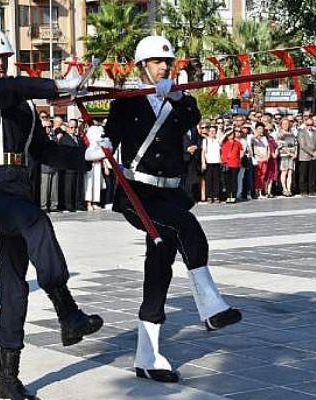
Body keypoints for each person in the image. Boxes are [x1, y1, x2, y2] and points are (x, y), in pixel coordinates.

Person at [0, 28, 102, 399]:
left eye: (3, 58)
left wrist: (86, 156)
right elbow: (2, 91)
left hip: (16, 190)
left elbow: (46, 152)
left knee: (13, 283)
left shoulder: (23, 106)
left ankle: (8, 377)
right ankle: (66, 310)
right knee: (35, 220)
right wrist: (57, 86)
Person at [92, 35, 240, 383]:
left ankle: (148, 356)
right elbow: (112, 136)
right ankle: (210, 306)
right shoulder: (126, 102)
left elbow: (193, 114)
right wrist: (101, 144)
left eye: (168, 63)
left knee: (159, 269)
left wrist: (174, 95)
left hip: (171, 193)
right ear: (142, 66)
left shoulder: (181, 101)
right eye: (158, 63)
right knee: (188, 229)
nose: (164, 68)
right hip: (139, 194)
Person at [296, 116, 316, 196]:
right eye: (308, 124)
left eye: (311, 124)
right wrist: (311, 153)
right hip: (304, 156)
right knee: (304, 174)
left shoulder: (314, 132)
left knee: (312, 174)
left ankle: (311, 190)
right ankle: (303, 190)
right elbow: (303, 145)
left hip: (314, 156)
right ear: (305, 124)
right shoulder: (301, 132)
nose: (310, 126)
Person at [84, 124, 105, 210]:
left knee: (97, 183)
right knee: (89, 183)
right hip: (90, 163)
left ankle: (95, 202)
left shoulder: (100, 140)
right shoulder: (86, 139)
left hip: (98, 163)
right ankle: (88, 203)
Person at [221, 127, 243, 203]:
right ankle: (228, 196)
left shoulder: (237, 142)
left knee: (234, 180)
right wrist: (226, 133)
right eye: (229, 134)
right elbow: (219, 141)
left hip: (235, 164)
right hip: (226, 163)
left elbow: (241, 152)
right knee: (227, 181)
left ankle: (233, 196)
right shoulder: (224, 142)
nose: (231, 135)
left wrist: (238, 159)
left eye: (232, 133)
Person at [277, 119, 298, 196]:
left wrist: (295, 153)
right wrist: (289, 153)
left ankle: (289, 189)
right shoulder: (280, 134)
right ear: (281, 125)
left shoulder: (291, 134)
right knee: (284, 172)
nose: (286, 125)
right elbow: (281, 146)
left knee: (290, 172)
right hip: (284, 155)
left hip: (292, 156)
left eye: (287, 124)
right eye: (284, 124)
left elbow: (296, 144)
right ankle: (284, 189)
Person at [201, 125, 222, 203]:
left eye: (214, 131)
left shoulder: (218, 140)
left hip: (217, 162)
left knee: (216, 180)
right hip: (209, 162)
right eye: (211, 131)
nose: (212, 132)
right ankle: (209, 196)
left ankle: (216, 196)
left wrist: (219, 128)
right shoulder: (205, 140)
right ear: (208, 132)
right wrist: (203, 162)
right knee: (208, 180)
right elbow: (203, 152)